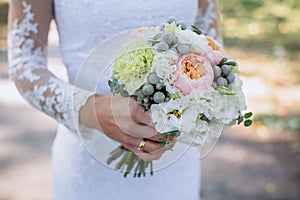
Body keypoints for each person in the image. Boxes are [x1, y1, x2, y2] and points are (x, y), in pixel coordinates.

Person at [8, 0, 222, 199]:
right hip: (88, 169)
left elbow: (212, 50)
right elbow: (25, 64)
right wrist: (94, 109)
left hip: (176, 169)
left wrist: (184, 115)